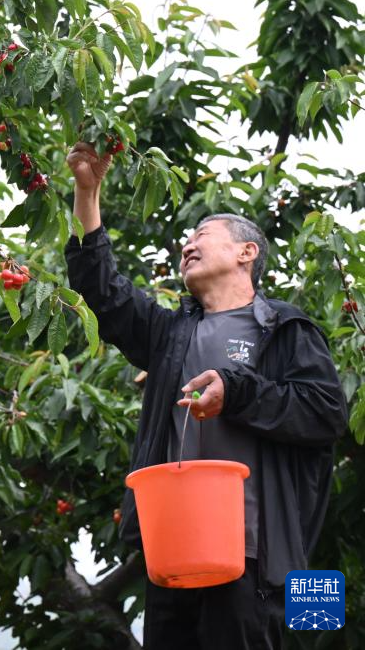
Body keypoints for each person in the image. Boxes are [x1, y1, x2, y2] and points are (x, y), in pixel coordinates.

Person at [63, 141, 347, 649]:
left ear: (246, 253)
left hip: (254, 557)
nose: (187, 245)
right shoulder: (171, 334)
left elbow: (325, 413)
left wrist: (235, 392)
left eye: (202, 235)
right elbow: (102, 291)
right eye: (186, 239)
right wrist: (88, 192)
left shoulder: (285, 329)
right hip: (173, 554)